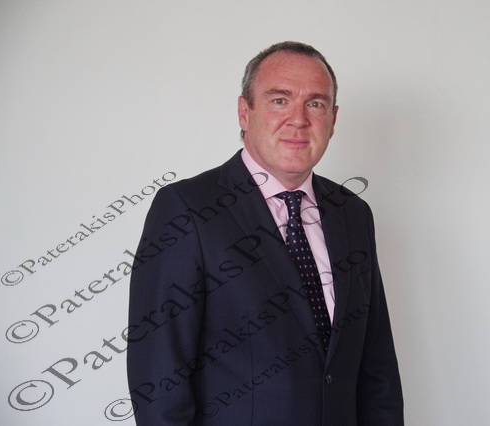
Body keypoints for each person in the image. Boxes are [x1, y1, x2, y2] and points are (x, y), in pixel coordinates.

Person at [126, 41, 403, 425]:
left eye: (315, 104)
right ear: (245, 112)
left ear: (333, 119)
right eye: (279, 100)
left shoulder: (353, 214)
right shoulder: (187, 209)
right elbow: (159, 382)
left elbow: (377, 367)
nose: (298, 120)